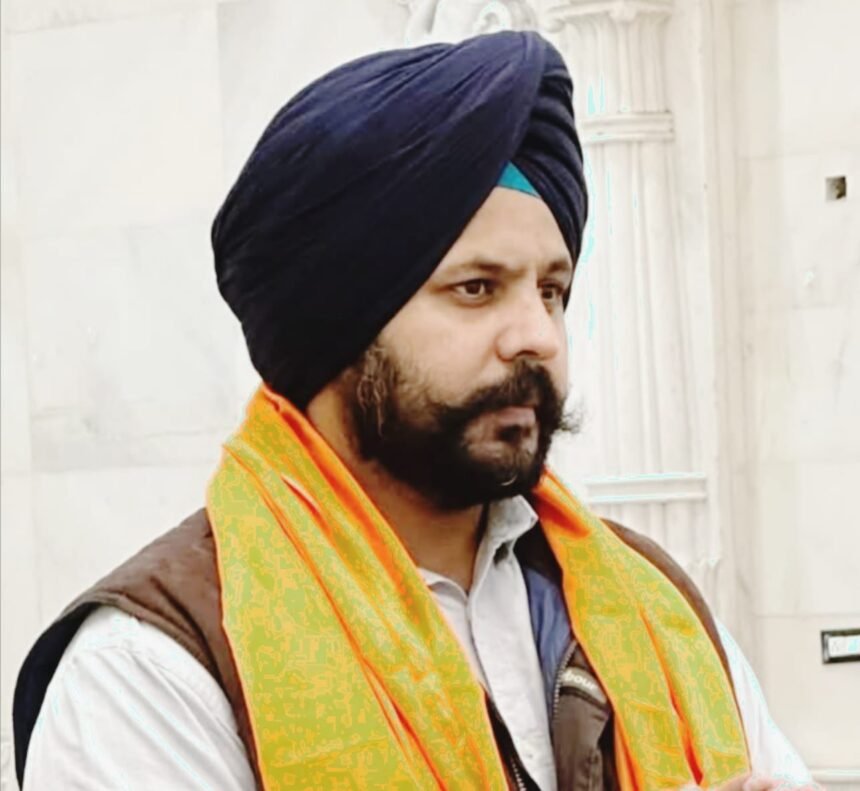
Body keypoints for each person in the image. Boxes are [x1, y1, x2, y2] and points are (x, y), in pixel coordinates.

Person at [13, 31, 815, 791]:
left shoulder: (653, 606)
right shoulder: (153, 668)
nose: (538, 336)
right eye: (476, 288)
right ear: (341, 325)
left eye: (551, 290)